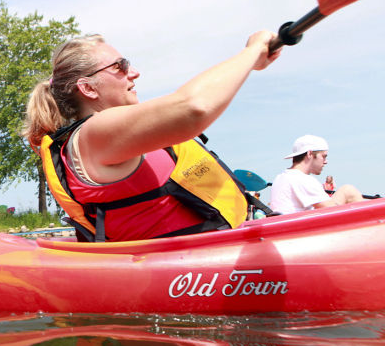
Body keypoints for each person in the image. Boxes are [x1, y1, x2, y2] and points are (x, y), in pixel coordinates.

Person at [22, 31, 279, 242]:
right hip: (187, 272)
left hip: (218, 249)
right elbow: (195, 108)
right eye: (120, 66)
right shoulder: (95, 133)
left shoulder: (115, 133)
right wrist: (252, 53)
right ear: (88, 88)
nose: (134, 72)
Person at [269, 135, 363, 214]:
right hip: (302, 231)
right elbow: (332, 212)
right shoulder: (302, 179)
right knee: (348, 190)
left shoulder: (280, 177)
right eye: (323, 156)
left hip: (289, 228)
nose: (325, 162)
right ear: (309, 154)